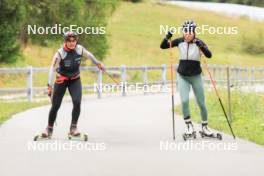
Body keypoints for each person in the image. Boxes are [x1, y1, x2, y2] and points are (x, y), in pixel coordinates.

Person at [42, 31, 104, 138]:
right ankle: (49, 128)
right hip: (61, 80)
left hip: (75, 79)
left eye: (74, 41)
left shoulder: (80, 49)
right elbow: (52, 69)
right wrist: (49, 86)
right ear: (65, 42)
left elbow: (90, 55)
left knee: (77, 102)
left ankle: (73, 128)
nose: (72, 43)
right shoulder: (60, 53)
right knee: (55, 106)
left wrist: (97, 63)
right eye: (69, 41)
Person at [160, 20, 213, 136]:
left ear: (194, 33)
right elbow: (163, 46)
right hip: (182, 76)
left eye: (190, 32)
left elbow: (209, 55)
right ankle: (189, 126)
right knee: (184, 101)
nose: (187, 35)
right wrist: (167, 37)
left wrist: (202, 47)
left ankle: (205, 127)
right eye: (185, 32)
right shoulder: (179, 41)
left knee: (201, 103)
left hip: (196, 76)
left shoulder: (199, 42)